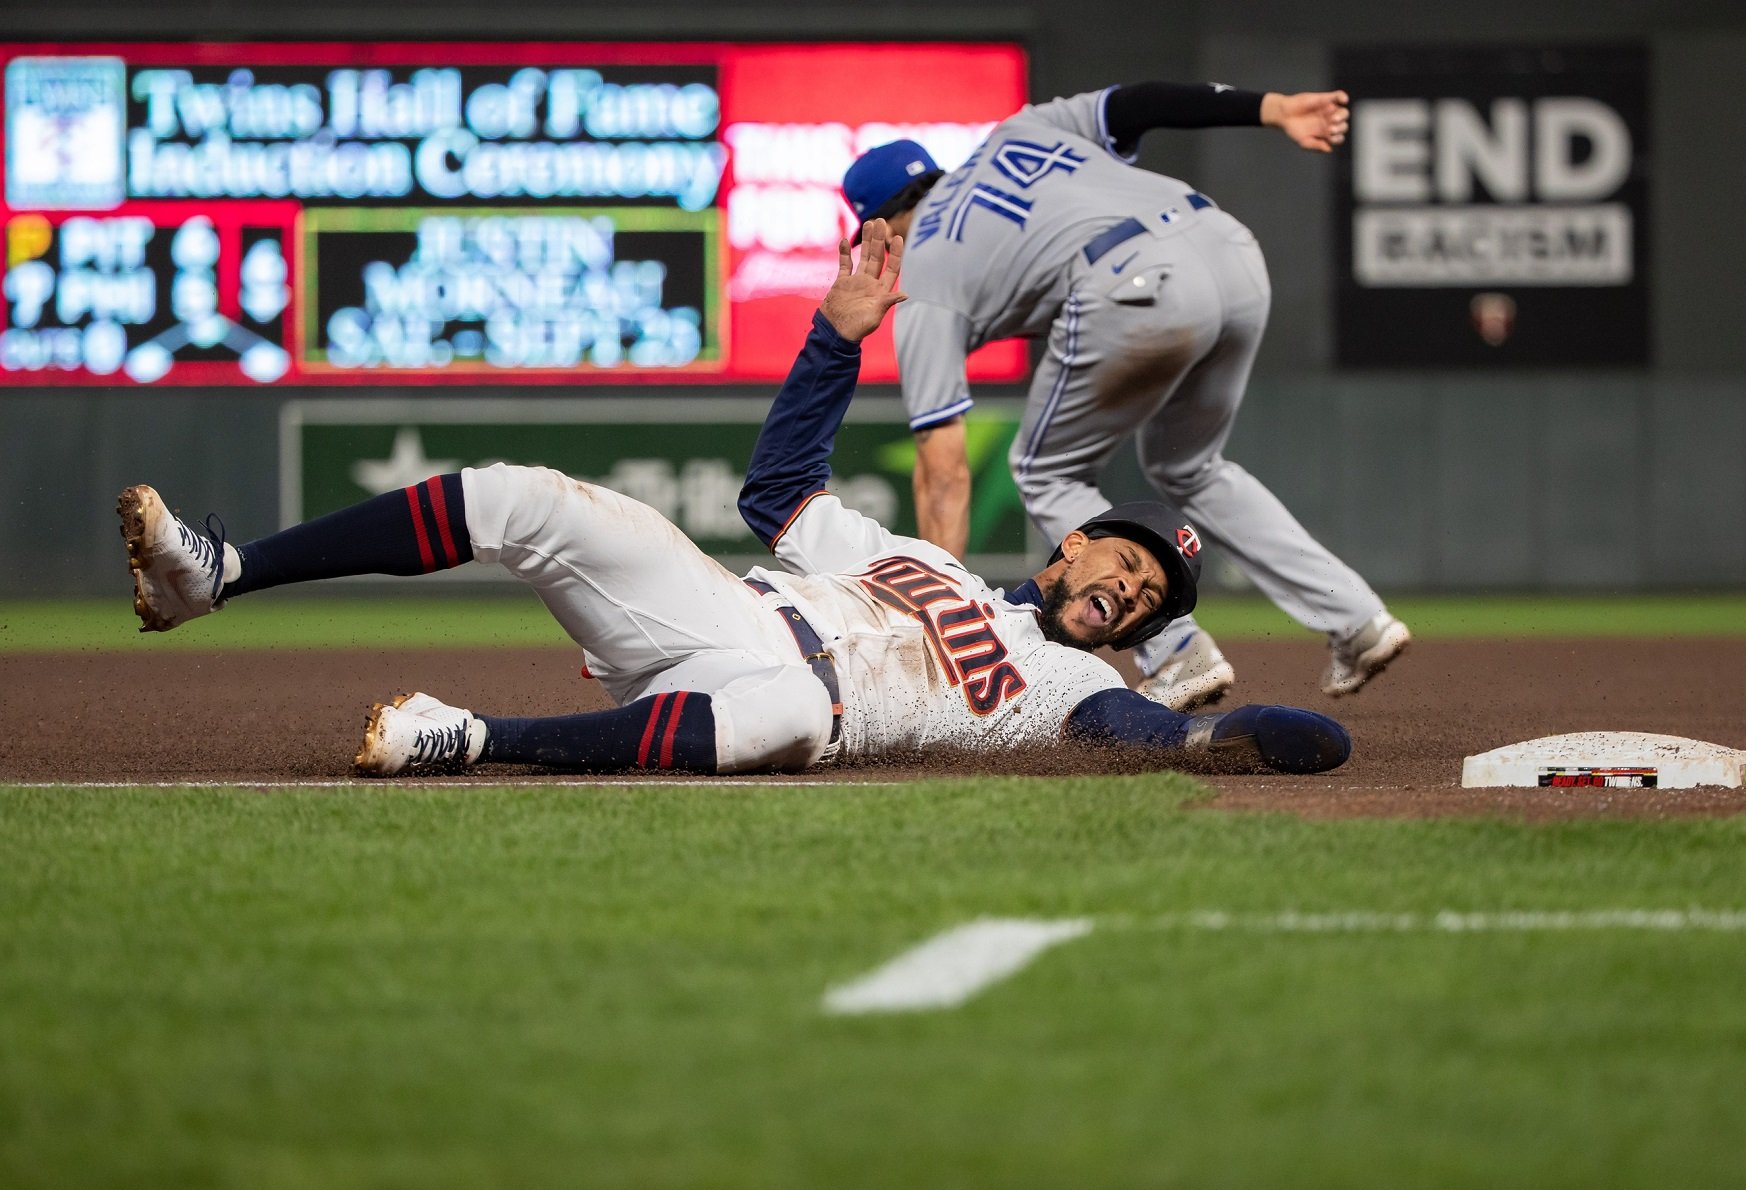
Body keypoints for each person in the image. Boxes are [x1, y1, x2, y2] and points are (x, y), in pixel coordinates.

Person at [116, 220, 1349, 778]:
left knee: (793, 717)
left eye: (1144, 603)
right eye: (1125, 566)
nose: (1129, 594)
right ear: (1076, 547)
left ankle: (475, 740)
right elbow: (778, 492)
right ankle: (216, 572)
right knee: (518, 496)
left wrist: (1215, 739)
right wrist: (830, 338)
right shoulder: (929, 564)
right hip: (727, 617)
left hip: (782, 701)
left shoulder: (1082, 687)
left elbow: (1175, 739)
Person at [841, 81, 1410, 711]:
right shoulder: (1020, 131)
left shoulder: (925, 269)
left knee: (1044, 471)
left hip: (1135, 282)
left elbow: (944, 473)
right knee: (1189, 465)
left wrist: (939, 612)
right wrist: (1270, 109)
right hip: (1230, 250)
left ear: (877, 225)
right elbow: (1140, 102)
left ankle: (1176, 652)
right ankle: (1357, 620)